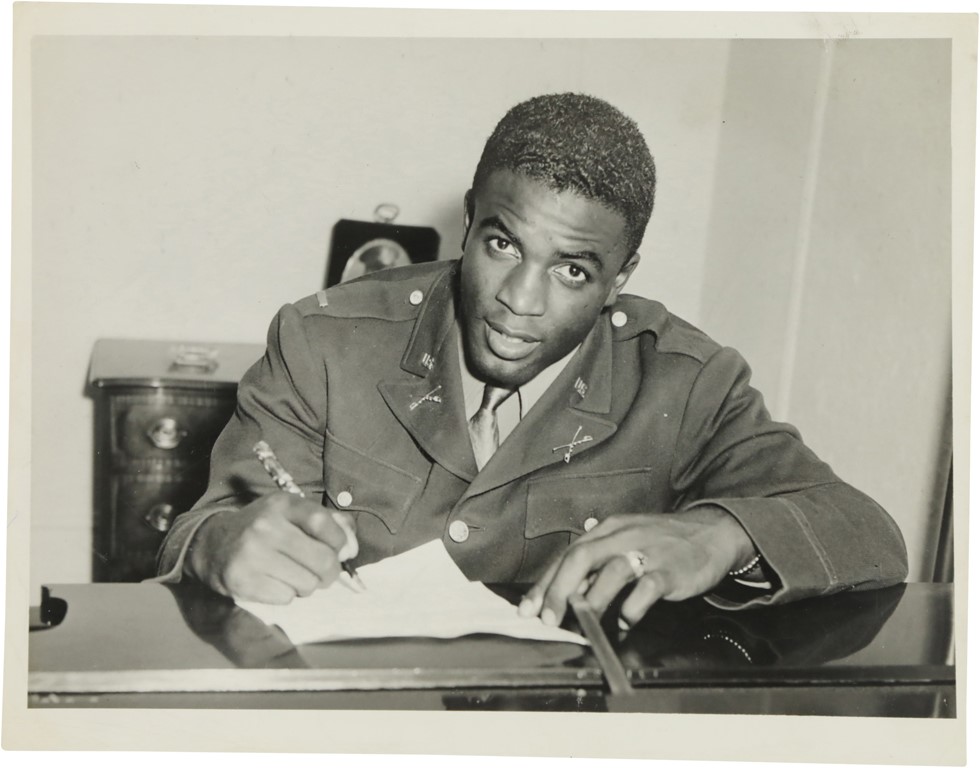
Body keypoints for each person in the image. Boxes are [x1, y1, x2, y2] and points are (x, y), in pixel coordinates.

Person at [155, 93, 908, 630]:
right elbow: (204, 527)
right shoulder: (323, 341)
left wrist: (717, 535)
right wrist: (220, 544)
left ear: (623, 274)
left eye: (572, 270)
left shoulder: (687, 380)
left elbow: (868, 534)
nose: (520, 299)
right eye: (503, 243)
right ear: (468, 220)